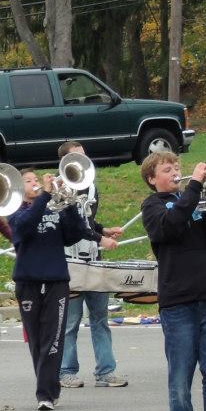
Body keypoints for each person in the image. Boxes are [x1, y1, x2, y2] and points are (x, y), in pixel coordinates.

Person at [140, 151, 206, 411]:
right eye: (167, 168)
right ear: (153, 178)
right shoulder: (152, 206)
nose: (176, 171)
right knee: (180, 374)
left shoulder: (196, 203)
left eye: (177, 166)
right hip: (177, 302)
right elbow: (170, 227)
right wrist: (195, 188)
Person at [8, 169, 93, 411]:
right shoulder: (15, 210)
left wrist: (69, 204)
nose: (36, 183)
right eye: (29, 181)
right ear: (18, 188)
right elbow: (22, 229)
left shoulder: (53, 206)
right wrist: (45, 195)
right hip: (27, 281)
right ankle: (48, 387)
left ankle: (44, 393)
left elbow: (74, 235)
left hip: (57, 280)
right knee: (36, 340)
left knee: (53, 338)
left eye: (37, 179)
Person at [56, 141, 126, 389]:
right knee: (70, 321)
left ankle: (106, 371)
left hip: (94, 259)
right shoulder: (58, 189)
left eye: (84, 156)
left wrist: (103, 230)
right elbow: (72, 226)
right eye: (77, 157)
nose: (83, 162)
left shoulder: (91, 186)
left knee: (100, 317)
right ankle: (66, 370)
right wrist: (101, 238)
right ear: (64, 161)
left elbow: (87, 220)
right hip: (70, 261)